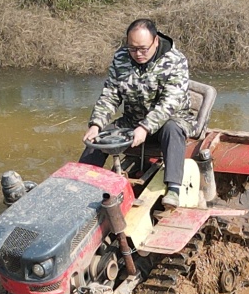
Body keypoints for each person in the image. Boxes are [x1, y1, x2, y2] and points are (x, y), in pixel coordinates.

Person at [82, 18, 194, 206]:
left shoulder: (175, 60)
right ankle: (82, 183)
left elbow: (170, 102)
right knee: (98, 138)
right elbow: (110, 94)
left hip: (171, 119)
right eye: (132, 49)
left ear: (155, 41)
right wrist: (96, 124)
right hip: (132, 119)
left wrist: (145, 127)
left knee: (172, 128)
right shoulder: (121, 58)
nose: (138, 54)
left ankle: (173, 188)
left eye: (143, 49)